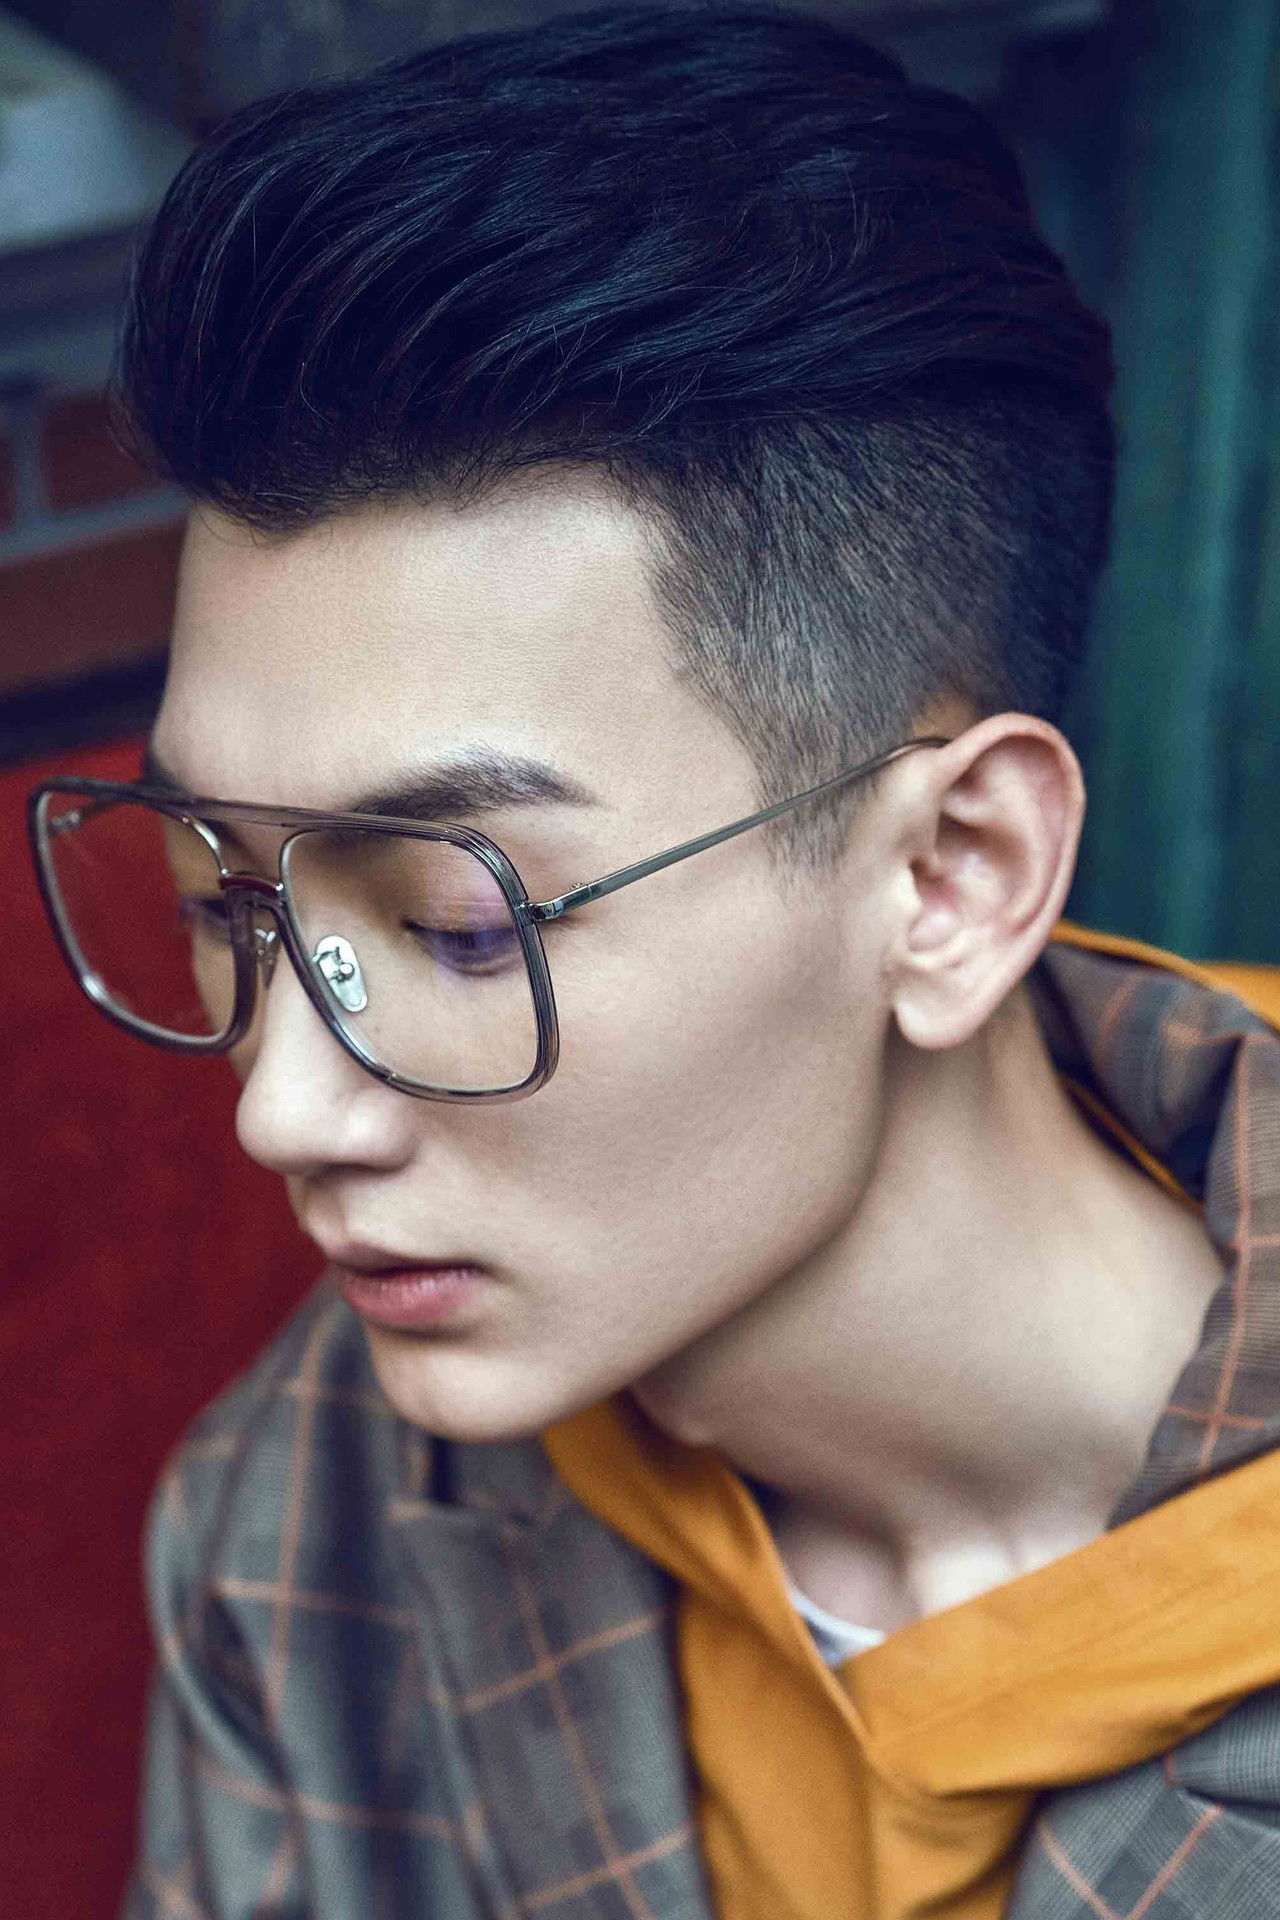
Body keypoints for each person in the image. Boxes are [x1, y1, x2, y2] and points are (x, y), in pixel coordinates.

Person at [30, 7, 1280, 1916]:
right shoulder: (311, 1515)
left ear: (953, 875)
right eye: (225, 899)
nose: (282, 1107)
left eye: (460, 922)